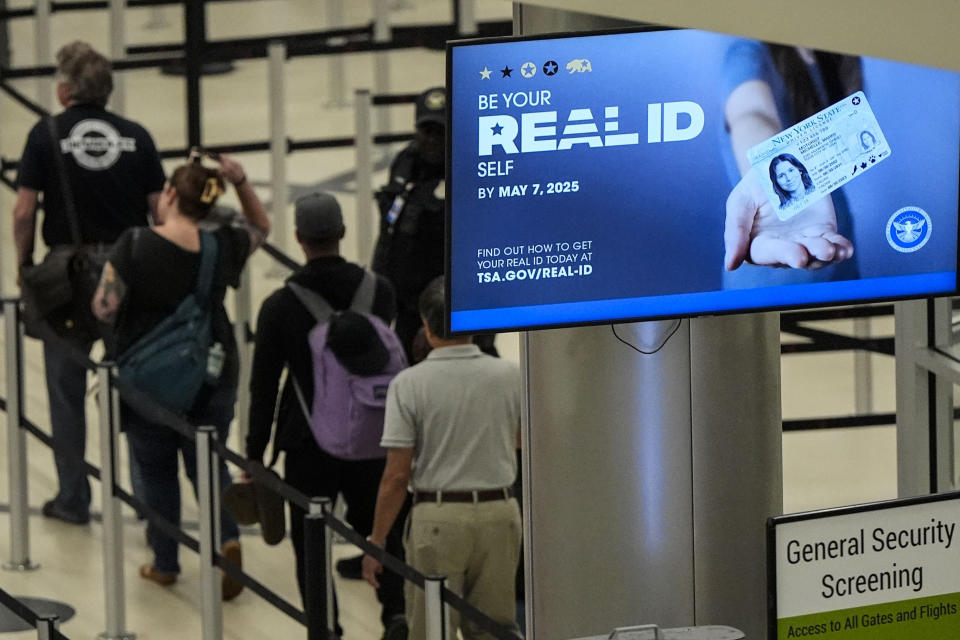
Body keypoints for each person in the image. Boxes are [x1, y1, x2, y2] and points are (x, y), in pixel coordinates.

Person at [92, 151, 269, 599]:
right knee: (207, 461)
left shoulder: (134, 245)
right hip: (212, 373)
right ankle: (227, 537)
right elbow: (262, 228)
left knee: (156, 472)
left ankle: (165, 561)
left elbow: (104, 308)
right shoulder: (224, 244)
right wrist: (241, 180)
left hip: (150, 384)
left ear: (169, 194)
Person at [12, 41, 166, 525]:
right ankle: (147, 501)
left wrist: (24, 265)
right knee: (137, 382)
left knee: (65, 388)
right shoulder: (137, 136)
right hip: (126, 269)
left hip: (65, 277)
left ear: (64, 91)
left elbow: (23, 210)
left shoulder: (45, 135)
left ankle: (74, 498)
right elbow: (160, 210)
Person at [246, 193, 408, 639]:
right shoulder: (380, 292)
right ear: (342, 233)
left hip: (307, 441)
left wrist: (253, 454)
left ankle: (326, 628)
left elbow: (263, 387)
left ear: (298, 238)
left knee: (311, 542)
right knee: (382, 530)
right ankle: (395, 612)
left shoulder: (280, 306)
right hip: (374, 436)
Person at [362, 277, 522, 640]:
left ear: (426, 325)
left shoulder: (410, 383)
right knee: (496, 630)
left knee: (432, 630)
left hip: (438, 517)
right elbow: (519, 442)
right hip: (500, 511)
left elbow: (397, 476)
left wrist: (377, 539)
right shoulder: (509, 375)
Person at [723, 42, 857, 276]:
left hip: (836, 257)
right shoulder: (747, 53)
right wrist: (768, 174)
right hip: (776, 276)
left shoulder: (828, 59)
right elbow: (752, 114)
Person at [372, 87, 446, 359]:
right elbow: (389, 231)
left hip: (445, 312)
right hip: (405, 305)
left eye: (440, 132)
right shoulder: (405, 161)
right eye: (427, 131)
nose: (432, 140)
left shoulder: (468, 168)